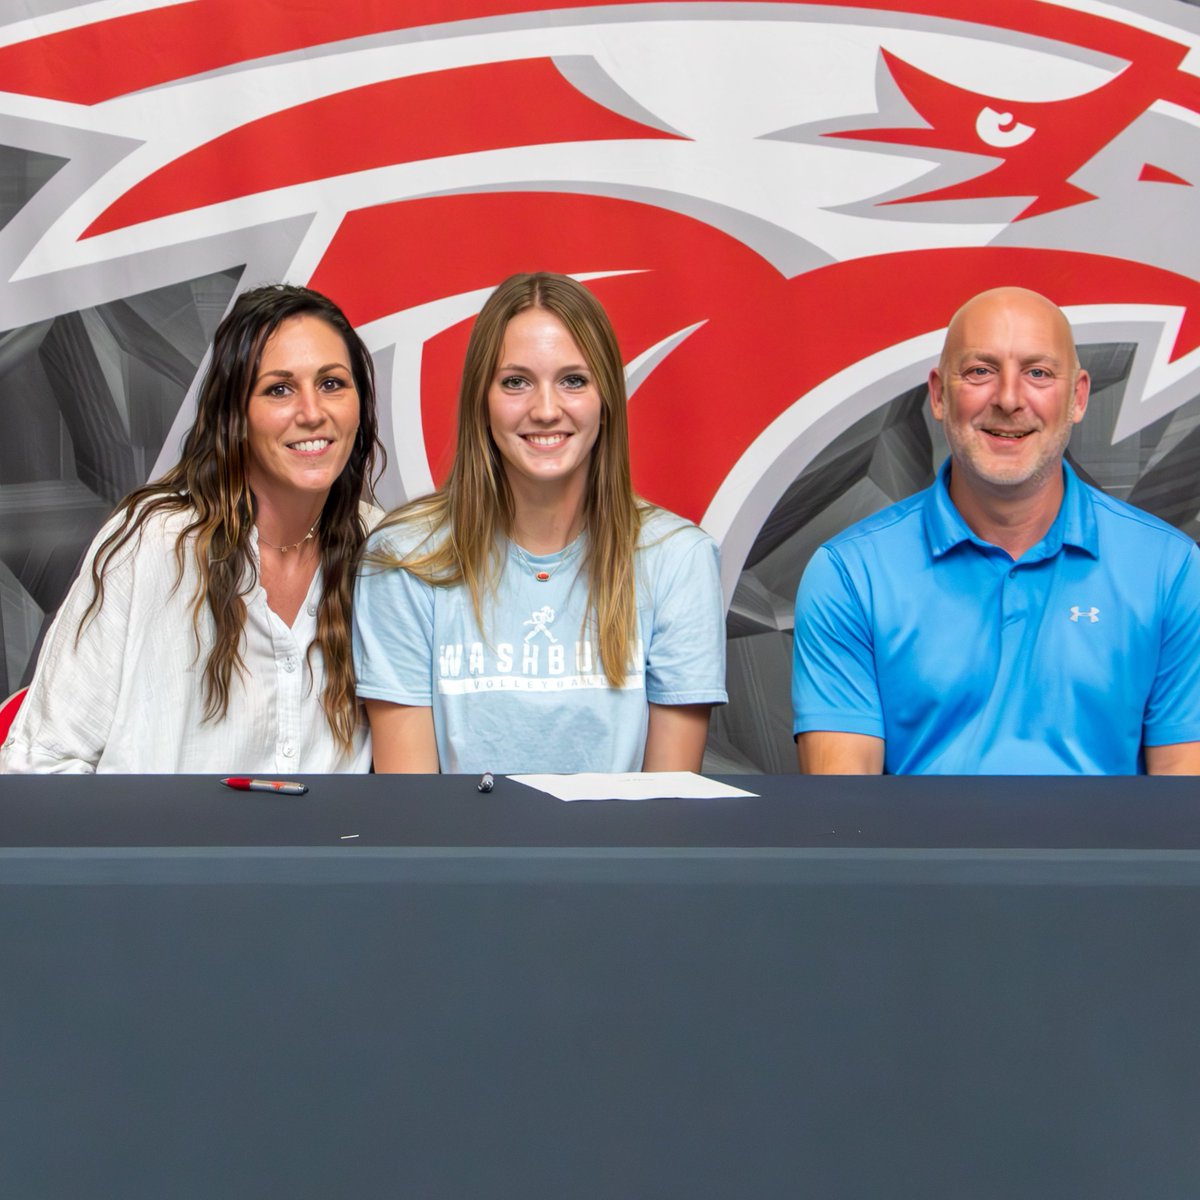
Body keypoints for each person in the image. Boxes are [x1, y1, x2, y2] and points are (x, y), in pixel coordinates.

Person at [792, 286, 1200, 775]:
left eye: (1038, 373)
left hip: (1112, 835)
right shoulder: (850, 574)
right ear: (939, 395)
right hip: (915, 834)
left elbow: (1183, 799)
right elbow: (843, 806)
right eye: (980, 371)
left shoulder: (1171, 570)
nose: (1008, 399)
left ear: (1078, 397)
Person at [353, 271, 726, 773]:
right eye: (516, 382)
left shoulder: (679, 560)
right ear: (481, 400)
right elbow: (414, 803)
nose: (546, 410)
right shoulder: (404, 558)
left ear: (606, 399)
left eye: (573, 380)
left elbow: (667, 803)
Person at [0, 284, 382, 773]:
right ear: (234, 414)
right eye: (279, 389)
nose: (312, 412)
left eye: (331, 383)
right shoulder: (153, 543)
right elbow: (40, 764)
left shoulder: (383, 551)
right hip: (148, 827)